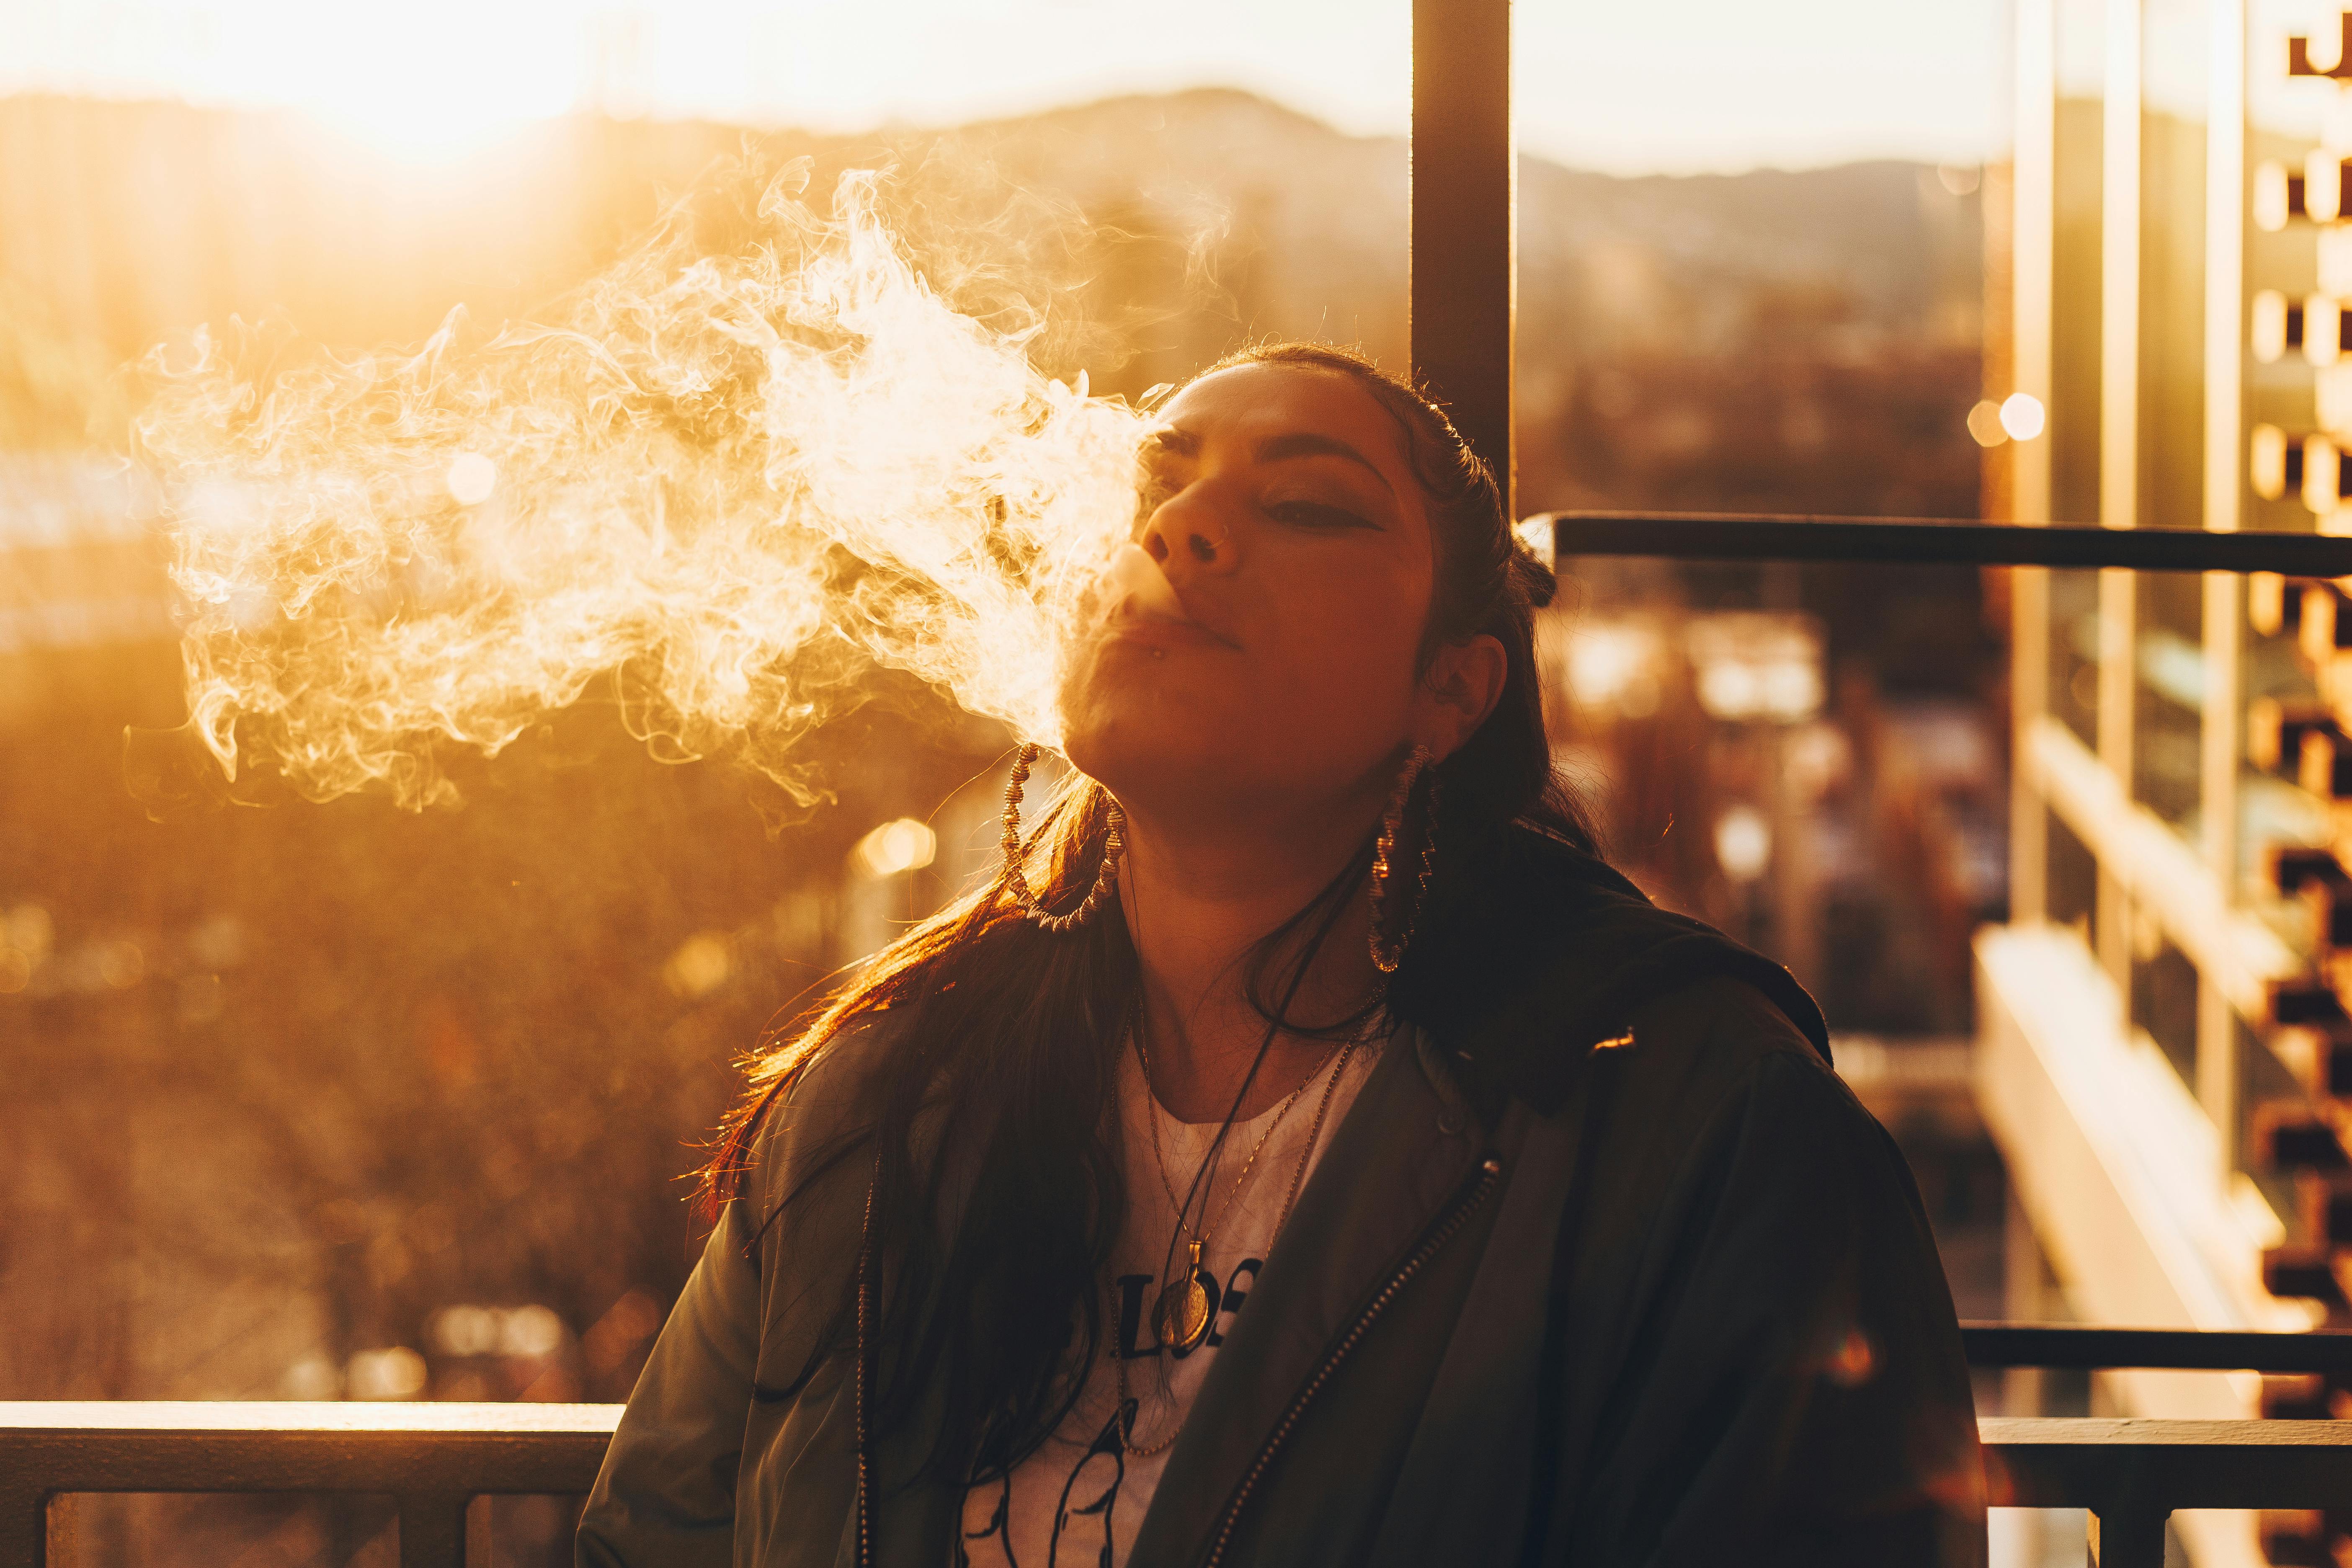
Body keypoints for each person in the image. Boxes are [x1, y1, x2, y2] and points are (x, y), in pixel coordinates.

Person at [576, 342, 1986, 1568]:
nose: (1182, 531)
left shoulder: (1702, 1134)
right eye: (1154, 490)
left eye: (1306, 504)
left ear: (1451, 690)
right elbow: (657, 1538)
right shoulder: (878, 1110)